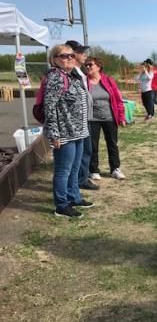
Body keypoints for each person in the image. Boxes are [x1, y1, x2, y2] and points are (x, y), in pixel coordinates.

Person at [43, 44, 93, 218]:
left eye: (72, 55)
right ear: (54, 59)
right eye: (65, 56)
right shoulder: (56, 77)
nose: (70, 58)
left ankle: (74, 197)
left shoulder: (71, 76)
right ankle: (62, 205)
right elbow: (49, 108)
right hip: (65, 133)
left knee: (74, 168)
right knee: (63, 170)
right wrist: (54, 134)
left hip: (79, 131)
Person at [65, 40, 100, 191]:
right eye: (81, 52)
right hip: (79, 118)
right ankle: (80, 180)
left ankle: (81, 178)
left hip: (86, 116)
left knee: (87, 150)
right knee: (83, 151)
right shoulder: (71, 72)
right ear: (73, 54)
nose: (85, 55)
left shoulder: (80, 72)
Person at [85, 57, 127, 181]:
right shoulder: (84, 81)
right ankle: (93, 170)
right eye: (86, 65)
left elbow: (118, 100)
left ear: (98, 66)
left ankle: (115, 169)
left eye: (90, 65)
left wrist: (121, 117)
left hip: (109, 117)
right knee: (93, 145)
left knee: (113, 144)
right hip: (92, 118)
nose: (87, 67)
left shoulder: (108, 80)